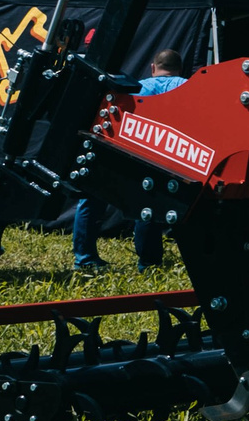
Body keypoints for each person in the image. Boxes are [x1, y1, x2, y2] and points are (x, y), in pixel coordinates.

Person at [70, 49, 189, 271]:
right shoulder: (189, 87)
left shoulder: (136, 88)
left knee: (92, 197)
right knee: (149, 203)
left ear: (153, 68)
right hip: (172, 156)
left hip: (127, 151)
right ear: (180, 69)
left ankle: (84, 258)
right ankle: (148, 263)